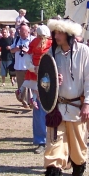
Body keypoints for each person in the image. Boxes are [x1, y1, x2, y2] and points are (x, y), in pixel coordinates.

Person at [37, 18, 89, 176]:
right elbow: (44, 80)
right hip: (57, 109)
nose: (56, 36)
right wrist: (53, 81)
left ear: (69, 35)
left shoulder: (84, 52)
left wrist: (87, 103)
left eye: (60, 33)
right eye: (55, 33)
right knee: (54, 147)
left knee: (78, 149)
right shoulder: (51, 54)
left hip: (77, 108)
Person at [23, 24, 52, 153]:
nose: (41, 39)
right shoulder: (33, 43)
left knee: (52, 109)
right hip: (36, 78)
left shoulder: (53, 44)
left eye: (43, 36)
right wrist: (33, 68)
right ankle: (41, 141)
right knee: (38, 108)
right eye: (39, 36)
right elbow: (28, 59)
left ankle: (53, 140)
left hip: (50, 79)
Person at [12, 22, 34, 107]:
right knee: (22, 85)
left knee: (31, 85)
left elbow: (35, 51)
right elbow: (11, 50)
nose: (21, 33)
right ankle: (23, 100)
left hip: (30, 66)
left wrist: (26, 50)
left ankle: (30, 101)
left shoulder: (33, 39)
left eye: (23, 32)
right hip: (19, 66)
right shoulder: (17, 39)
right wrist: (17, 49)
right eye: (20, 31)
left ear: (28, 32)